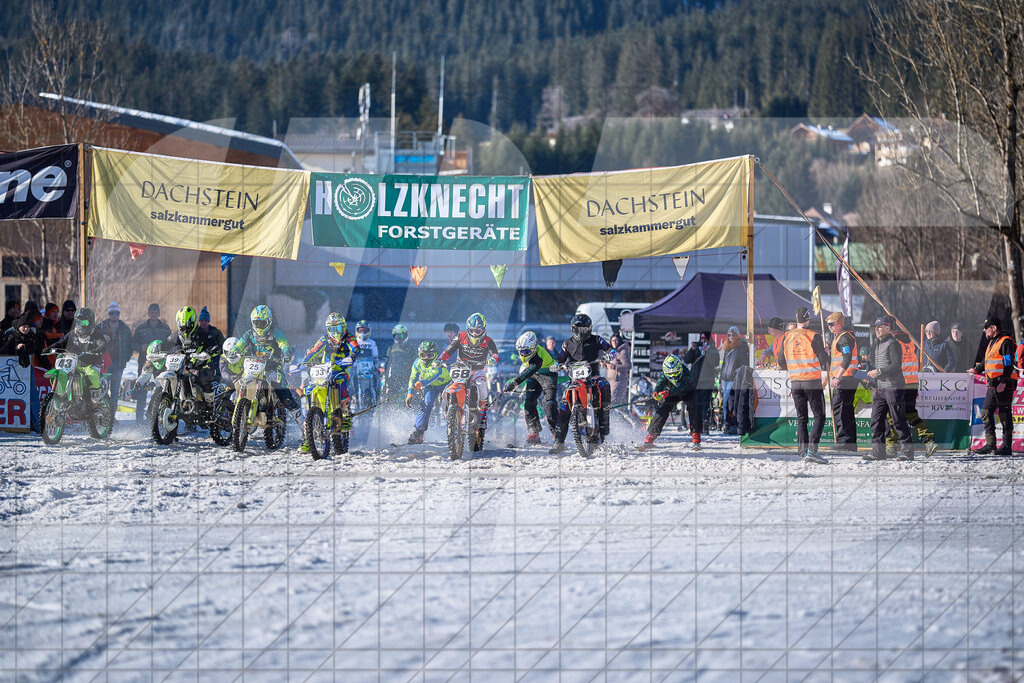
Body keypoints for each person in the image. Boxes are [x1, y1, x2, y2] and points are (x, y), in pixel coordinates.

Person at [549, 313, 614, 454]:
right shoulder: (567, 343)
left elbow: (609, 348)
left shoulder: (596, 339)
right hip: (575, 379)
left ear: (589, 329)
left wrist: (611, 353)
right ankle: (559, 442)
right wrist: (556, 365)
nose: (580, 332)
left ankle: (604, 423)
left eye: (583, 329)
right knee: (564, 405)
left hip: (593, 375)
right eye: (577, 329)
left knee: (605, 385)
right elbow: (560, 358)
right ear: (572, 329)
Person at [230, 304, 303, 428]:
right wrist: (235, 350)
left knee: (285, 396)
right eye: (256, 322)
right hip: (254, 365)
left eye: (262, 323)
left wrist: (286, 353)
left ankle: (303, 424)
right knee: (240, 382)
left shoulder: (275, 332)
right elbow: (241, 342)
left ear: (269, 322)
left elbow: (283, 343)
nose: (259, 326)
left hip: (272, 367)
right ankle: (241, 408)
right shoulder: (249, 334)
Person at [297, 313, 359, 452]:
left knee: (341, 384)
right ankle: (308, 437)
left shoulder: (349, 337)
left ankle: (345, 414)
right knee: (311, 391)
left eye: (337, 329)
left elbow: (355, 347)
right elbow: (314, 350)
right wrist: (304, 361)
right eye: (332, 329)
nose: (334, 332)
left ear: (343, 328)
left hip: (341, 370)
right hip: (324, 371)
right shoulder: (324, 338)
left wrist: (352, 355)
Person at [438, 313, 500, 450]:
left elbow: (495, 354)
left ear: (483, 330)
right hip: (460, 369)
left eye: (478, 331)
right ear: (467, 329)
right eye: (472, 330)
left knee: (483, 390)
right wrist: (440, 359)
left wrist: (492, 360)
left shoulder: (488, 341)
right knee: (448, 389)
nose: (474, 333)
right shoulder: (460, 337)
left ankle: (482, 418)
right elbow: (449, 349)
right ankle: (450, 413)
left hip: (477, 370)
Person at [777, 306, 829, 463]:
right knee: (819, 415)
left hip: (795, 382)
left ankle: (802, 451)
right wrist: (826, 353)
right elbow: (824, 361)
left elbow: (780, 361)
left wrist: (794, 368)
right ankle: (812, 450)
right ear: (808, 319)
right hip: (811, 380)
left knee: (802, 418)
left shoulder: (786, 337)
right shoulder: (814, 336)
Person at [864, 316, 914, 461]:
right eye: (876, 327)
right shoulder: (877, 343)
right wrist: (871, 376)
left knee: (898, 420)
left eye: (880, 326)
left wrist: (878, 372)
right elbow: (877, 365)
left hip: (893, 387)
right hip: (880, 388)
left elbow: (896, 365)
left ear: (888, 328)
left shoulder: (893, 343)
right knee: (876, 420)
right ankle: (878, 452)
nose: (877, 329)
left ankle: (907, 452)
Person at [968, 316, 1017, 455]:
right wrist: (976, 369)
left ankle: (1007, 447)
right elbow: (987, 361)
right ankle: (991, 444)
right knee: (985, 412)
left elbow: (1008, 363)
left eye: (986, 328)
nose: (984, 331)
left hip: (1004, 385)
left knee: (1004, 415)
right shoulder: (992, 343)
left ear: (994, 328)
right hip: (992, 385)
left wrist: (1003, 381)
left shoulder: (1006, 341)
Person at [888, 328, 939, 457]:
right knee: (911, 414)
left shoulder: (892, 343)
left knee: (891, 415)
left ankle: (891, 446)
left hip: (899, 383)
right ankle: (929, 440)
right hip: (912, 382)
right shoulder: (909, 342)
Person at [48, 307, 110, 410]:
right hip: (75, 364)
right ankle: (63, 398)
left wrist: (98, 349)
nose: (81, 325)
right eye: (78, 322)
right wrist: (50, 349)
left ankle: (97, 401)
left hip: (91, 364)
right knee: (64, 373)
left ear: (90, 322)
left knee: (92, 374)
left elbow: (102, 343)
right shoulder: (73, 333)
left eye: (84, 322)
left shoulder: (96, 333)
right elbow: (62, 342)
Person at [503, 331, 558, 444]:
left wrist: (514, 383)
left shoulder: (538, 357)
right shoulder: (525, 350)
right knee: (529, 402)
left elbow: (528, 371)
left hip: (548, 374)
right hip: (534, 375)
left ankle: (557, 436)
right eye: (521, 351)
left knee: (549, 404)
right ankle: (534, 433)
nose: (523, 354)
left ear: (533, 348)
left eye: (526, 352)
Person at [637, 355, 698, 451]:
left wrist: (667, 392)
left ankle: (696, 437)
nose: (673, 376)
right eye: (670, 374)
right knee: (663, 408)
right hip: (673, 392)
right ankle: (651, 436)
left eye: (675, 373)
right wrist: (656, 391)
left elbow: (680, 387)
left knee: (693, 408)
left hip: (688, 391)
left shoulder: (686, 374)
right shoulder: (665, 374)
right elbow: (661, 382)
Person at [165, 306, 222, 403]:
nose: (185, 330)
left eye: (188, 327)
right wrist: (156, 349)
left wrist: (210, 351)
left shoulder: (203, 333)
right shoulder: (176, 335)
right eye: (182, 327)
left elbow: (215, 346)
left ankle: (209, 404)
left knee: (203, 377)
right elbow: (165, 344)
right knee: (173, 375)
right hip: (183, 366)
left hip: (203, 364)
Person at [405, 340, 451, 444]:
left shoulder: (437, 363)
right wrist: (410, 393)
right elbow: (412, 378)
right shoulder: (417, 363)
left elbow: (434, 376)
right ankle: (419, 431)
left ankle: (455, 428)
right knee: (426, 403)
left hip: (445, 384)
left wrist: (421, 382)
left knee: (447, 404)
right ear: (419, 354)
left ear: (435, 354)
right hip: (431, 386)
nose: (426, 358)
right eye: (423, 355)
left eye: (430, 355)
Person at [132, 303, 172, 421]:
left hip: (162, 363)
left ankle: (155, 416)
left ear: (159, 314)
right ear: (148, 314)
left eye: (156, 312)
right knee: (142, 389)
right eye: (152, 312)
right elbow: (133, 343)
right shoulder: (141, 328)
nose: (154, 314)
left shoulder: (165, 328)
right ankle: (139, 419)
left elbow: (171, 343)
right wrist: (140, 347)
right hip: (145, 362)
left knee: (160, 388)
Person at [826, 311, 859, 451]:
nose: (829, 327)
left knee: (840, 410)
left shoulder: (844, 338)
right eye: (828, 325)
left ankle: (844, 441)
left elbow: (847, 358)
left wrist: (838, 376)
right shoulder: (839, 337)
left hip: (845, 379)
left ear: (839, 324)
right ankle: (850, 442)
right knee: (847, 410)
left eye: (831, 324)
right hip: (849, 378)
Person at [100, 302, 134, 406]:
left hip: (118, 365)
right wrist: (102, 338)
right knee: (102, 391)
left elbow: (130, 345)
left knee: (115, 392)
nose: (114, 315)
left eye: (116, 313)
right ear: (108, 314)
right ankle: (102, 416)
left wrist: (125, 359)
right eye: (111, 313)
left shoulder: (125, 329)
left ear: (119, 314)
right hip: (103, 364)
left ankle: (112, 416)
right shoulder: (101, 326)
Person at [719, 326, 748, 435]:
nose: (731, 337)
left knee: (728, 401)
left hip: (733, 379)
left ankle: (730, 423)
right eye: (729, 335)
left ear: (737, 335)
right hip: (725, 379)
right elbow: (724, 365)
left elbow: (744, 363)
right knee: (725, 403)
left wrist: (738, 375)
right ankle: (727, 423)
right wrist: (720, 380)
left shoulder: (741, 347)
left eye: (733, 334)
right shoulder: (727, 347)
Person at [383, 323, 417, 404]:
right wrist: (386, 377)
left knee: (408, 398)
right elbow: (387, 364)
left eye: (401, 336)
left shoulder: (411, 349)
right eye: (396, 336)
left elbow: (416, 364)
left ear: (406, 335)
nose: (399, 339)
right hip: (394, 378)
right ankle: (391, 413)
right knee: (390, 399)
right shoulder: (391, 348)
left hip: (407, 378)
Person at [603, 333, 631, 405]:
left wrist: (615, 367)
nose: (614, 342)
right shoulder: (613, 351)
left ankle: (614, 416)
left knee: (614, 402)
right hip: (611, 381)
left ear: (619, 341)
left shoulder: (622, 352)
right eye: (613, 341)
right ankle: (627, 416)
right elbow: (609, 363)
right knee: (618, 404)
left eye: (616, 340)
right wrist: (605, 364)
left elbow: (628, 366)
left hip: (619, 381)